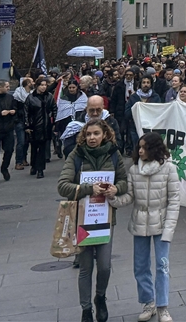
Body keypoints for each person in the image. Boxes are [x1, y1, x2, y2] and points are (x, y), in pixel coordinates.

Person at [57, 119, 128, 322]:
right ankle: (86, 310)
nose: (92, 138)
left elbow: (124, 181)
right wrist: (88, 189)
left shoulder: (113, 154)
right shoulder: (76, 155)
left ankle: (100, 297)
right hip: (82, 220)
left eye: (96, 133)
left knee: (104, 266)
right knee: (86, 267)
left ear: (104, 134)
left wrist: (116, 188)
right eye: (88, 134)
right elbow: (62, 185)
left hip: (105, 218)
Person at [109, 132, 180, 322]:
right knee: (140, 266)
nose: (140, 151)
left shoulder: (169, 169)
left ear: (154, 149)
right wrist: (113, 198)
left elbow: (174, 201)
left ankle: (163, 307)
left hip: (162, 221)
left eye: (144, 147)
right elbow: (130, 197)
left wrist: (169, 229)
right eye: (138, 147)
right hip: (139, 222)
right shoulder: (134, 170)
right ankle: (148, 302)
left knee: (162, 266)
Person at [25, 78, 57, 178]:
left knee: (42, 148)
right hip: (34, 126)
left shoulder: (49, 97)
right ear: (37, 86)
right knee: (34, 148)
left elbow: (54, 109)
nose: (44, 87)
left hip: (46, 126)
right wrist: (27, 125)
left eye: (45, 85)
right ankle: (34, 165)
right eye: (41, 85)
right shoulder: (31, 98)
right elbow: (26, 112)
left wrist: (55, 122)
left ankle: (40, 169)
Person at [126, 75, 161, 153]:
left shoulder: (156, 97)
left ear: (151, 84)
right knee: (137, 149)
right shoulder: (133, 97)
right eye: (144, 82)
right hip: (135, 127)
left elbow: (159, 112)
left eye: (148, 82)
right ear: (140, 84)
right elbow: (127, 113)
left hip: (150, 127)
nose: (146, 84)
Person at [13, 77, 34, 170]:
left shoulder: (32, 94)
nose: (33, 82)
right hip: (20, 121)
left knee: (26, 141)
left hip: (28, 120)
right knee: (21, 142)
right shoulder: (17, 95)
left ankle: (24, 159)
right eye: (31, 81)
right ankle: (18, 161)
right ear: (28, 83)